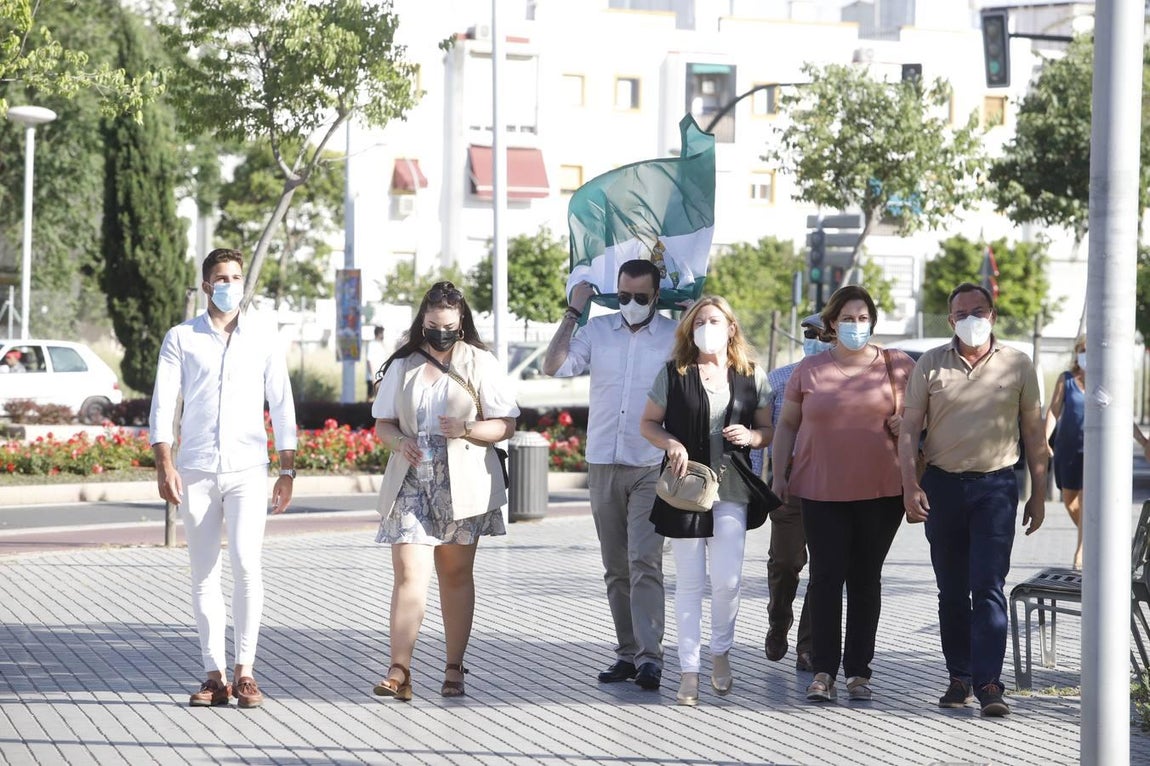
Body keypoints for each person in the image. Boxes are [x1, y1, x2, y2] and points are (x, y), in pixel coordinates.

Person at [149, 247, 298, 709]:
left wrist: (288, 468)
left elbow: (283, 404)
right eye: (221, 277)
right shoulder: (181, 338)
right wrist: (164, 463)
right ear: (205, 284)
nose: (229, 283)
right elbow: (163, 403)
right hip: (195, 468)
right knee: (203, 573)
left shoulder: (264, 337)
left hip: (249, 470)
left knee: (247, 567)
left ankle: (246, 672)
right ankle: (214, 674)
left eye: (236, 276)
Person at [899, 282, 1047, 718]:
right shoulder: (929, 364)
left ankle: (988, 682)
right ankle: (959, 677)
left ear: (993, 315)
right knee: (950, 591)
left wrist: (1039, 495)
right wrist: (910, 485)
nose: (971, 320)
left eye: (978, 311)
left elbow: (1035, 435)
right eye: (961, 313)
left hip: (997, 489)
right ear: (950, 321)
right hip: (943, 487)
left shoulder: (1018, 364)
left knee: (988, 587)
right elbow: (908, 431)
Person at [370, 281, 518, 701]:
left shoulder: (480, 362)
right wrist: (400, 442)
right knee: (409, 573)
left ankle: (454, 667)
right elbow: (382, 424)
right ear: (423, 321)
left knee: (454, 575)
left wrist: (469, 428)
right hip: (412, 478)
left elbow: (506, 423)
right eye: (433, 324)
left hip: (463, 478)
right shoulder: (403, 363)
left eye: (449, 325)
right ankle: (399, 669)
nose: (441, 332)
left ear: (461, 322)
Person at [771, 286, 913, 704]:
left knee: (865, 580)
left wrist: (905, 423)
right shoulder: (809, 369)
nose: (856, 326)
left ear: (873, 321)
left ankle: (859, 672)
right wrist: (779, 475)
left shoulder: (898, 364)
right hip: (820, 489)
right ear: (832, 323)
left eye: (862, 318)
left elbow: (919, 419)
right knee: (826, 579)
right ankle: (823, 671)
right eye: (847, 319)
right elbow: (786, 427)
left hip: (881, 490)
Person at [542, 259, 678, 691]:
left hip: (649, 463)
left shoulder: (676, 335)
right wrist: (573, 311)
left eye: (640, 297)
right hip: (602, 459)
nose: (631, 304)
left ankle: (651, 658)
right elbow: (554, 365)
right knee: (615, 567)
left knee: (644, 560)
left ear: (656, 296)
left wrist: (697, 315)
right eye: (623, 296)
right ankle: (626, 653)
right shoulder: (596, 331)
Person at [640, 296, 778, 706]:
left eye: (714, 320)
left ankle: (721, 651)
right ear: (689, 329)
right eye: (699, 321)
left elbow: (767, 429)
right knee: (688, 582)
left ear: (731, 327)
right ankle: (689, 669)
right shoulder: (674, 372)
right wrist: (672, 444)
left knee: (727, 580)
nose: (707, 328)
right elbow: (648, 422)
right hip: (686, 490)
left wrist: (752, 438)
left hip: (732, 488)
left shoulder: (752, 375)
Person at [750, 314, 833, 673]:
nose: (814, 340)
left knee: (827, 570)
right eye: (809, 334)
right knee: (784, 561)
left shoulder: (847, 381)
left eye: (821, 335)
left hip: (835, 481)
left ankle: (809, 646)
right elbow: (762, 431)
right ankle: (778, 619)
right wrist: (755, 481)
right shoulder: (779, 379)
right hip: (791, 478)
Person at [1044, 335, 1150, 569]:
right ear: (1078, 353)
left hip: (1095, 451)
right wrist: (1044, 438)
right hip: (1067, 448)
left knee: (1086, 497)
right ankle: (1094, 537)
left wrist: (1142, 441)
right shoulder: (1067, 379)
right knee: (1070, 501)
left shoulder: (1108, 382)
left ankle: (1081, 554)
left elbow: (1123, 415)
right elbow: (1053, 410)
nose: (1087, 354)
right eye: (1084, 349)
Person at [365, 325, 387, 401]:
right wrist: (373, 377)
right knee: (370, 398)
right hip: (373, 377)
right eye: (382, 333)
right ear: (378, 334)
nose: (383, 335)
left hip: (381, 376)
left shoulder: (382, 344)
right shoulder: (372, 344)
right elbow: (369, 361)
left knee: (379, 399)